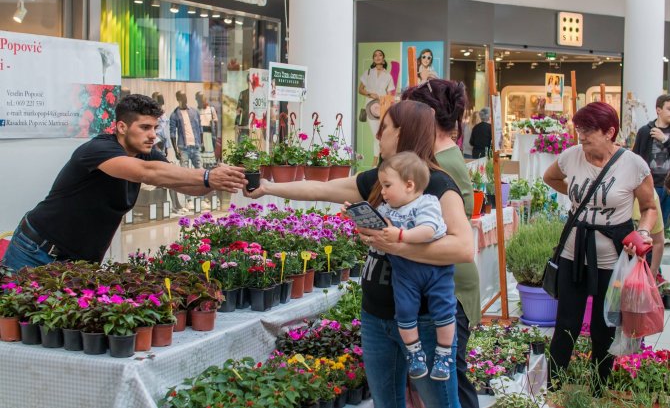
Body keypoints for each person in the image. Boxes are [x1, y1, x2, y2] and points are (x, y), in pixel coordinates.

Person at [246, 100, 472, 408]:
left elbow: (463, 247)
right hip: (375, 316)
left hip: (424, 320)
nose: (379, 137)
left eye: (384, 128)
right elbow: (320, 189)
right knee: (386, 402)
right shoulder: (382, 181)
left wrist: (396, 243)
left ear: (403, 133)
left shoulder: (437, 185)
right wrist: (269, 188)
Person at [0, 95, 247, 270]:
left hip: (79, 263)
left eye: (155, 127)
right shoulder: (97, 150)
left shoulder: (147, 152)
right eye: (145, 127)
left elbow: (183, 184)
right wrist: (207, 175)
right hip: (35, 252)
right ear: (121, 126)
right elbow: (145, 172)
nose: (153, 134)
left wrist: (219, 181)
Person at [543, 102, 656, 390]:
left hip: (613, 258)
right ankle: (554, 383)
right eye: (579, 128)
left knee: (604, 325)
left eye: (589, 130)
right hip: (573, 251)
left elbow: (648, 208)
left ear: (609, 132)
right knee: (566, 321)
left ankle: (598, 386)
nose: (581, 135)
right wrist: (578, 198)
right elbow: (550, 177)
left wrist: (642, 232)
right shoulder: (571, 156)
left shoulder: (634, 165)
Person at [402, 79, 480, 408]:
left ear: (427, 116)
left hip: (447, 289)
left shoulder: (438, 164)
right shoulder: (440, 155)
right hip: (446, 285)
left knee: (449, 386)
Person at [369, 151, 455, 382]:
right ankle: (414, 352)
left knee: (444, 310)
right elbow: (377, 228)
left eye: (387, 185)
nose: (383, 191)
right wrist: (360, 217)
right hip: (404, 273)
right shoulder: (387, 210)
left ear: (409, 185)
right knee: (405, 312)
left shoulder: (426, 203)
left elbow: (427, 230)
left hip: (436, 271)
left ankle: (444, 354)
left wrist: (400, 234)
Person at [632, 94, 670, 227]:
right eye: (669, 109)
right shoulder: (644, 131)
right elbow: (635, 157)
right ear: (658, 110)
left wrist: (665, 140)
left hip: (668, 185)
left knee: (663, 224)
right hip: (649, 184)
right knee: (648, 222)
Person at [359, 49, 396, 157]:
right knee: (376, 134)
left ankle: (378, 162)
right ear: (373, 59)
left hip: (382, 107)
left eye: (380, 55)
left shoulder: (388, 76)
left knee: (381, 134)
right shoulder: (368, 72)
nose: (377, 57)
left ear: (383, 59)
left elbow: (389, 95)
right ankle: (376, 162)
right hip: (370, 106)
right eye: (375, 55)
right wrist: (371, 94)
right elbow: (360, 89)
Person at [170, 90, 203, 169]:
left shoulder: (195, 111)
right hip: (183, 148)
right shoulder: (174, 115)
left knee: (200, 170)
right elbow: (172, 134)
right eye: (182, 97)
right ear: (178, 99)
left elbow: (200, 128)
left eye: (185, 96)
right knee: (185, 172)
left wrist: (202, 143)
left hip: (195, 147)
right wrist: (176, 150)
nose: (185, 99)